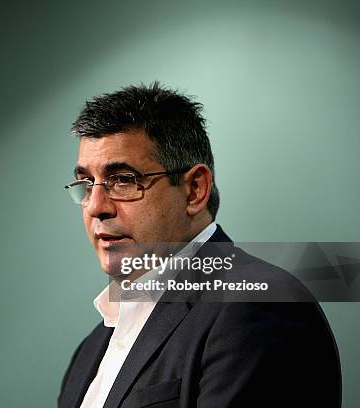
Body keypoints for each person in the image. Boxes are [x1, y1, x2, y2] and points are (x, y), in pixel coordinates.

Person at [58, 83, 341, 408]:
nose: (96, 206)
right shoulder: (89, 352)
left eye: (123, 180)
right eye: (86, 183)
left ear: (194, 189)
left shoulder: (258, 305)